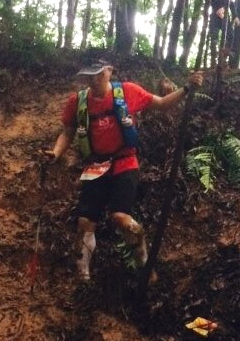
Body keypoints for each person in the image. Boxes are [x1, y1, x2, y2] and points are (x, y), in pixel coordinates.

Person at [46, 59, 203, 280]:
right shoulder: (78, 102)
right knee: (85, 223)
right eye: (90, 76)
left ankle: (143, 263)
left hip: (125, 161)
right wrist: (56, 153)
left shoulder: (127, 91)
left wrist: (186, 88)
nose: (95, 80)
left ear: (109, 71)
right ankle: (83, 278)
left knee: (121, 219)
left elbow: (162, 103)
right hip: (95, 165)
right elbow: (68, 132)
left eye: (99, 74)